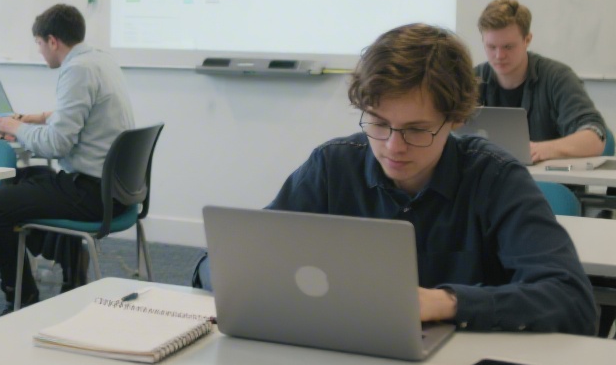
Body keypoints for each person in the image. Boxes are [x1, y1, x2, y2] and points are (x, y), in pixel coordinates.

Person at [194, 23, 597, 335]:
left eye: (417, 130)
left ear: (455, 120)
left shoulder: (495, 178)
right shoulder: (334, 166)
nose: (392, 146)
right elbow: (227, 262)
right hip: (346, 363)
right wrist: (234, 274)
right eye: (379, 123)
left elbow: (572, 300)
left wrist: (445, 303)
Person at [0, 4, 136, 313]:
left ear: (52, 41)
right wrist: (35, 119)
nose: (39, 52)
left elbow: (56, 145)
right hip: (117, 189)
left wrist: (17, 127)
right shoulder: (99, 60)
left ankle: (21, 294)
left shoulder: (76, 70)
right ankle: (70, 269)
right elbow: (85, 112)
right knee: (20, 179)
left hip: (92, 193)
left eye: (38, 43)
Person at [476, 0, 606, 163]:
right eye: (491, 47)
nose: (499, 56)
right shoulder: (472, 80)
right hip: (492, 180)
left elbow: (595, 138)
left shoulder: (557, 78)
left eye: (508, 47)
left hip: (547, 182)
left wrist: (544, 149)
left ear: (527, 40)